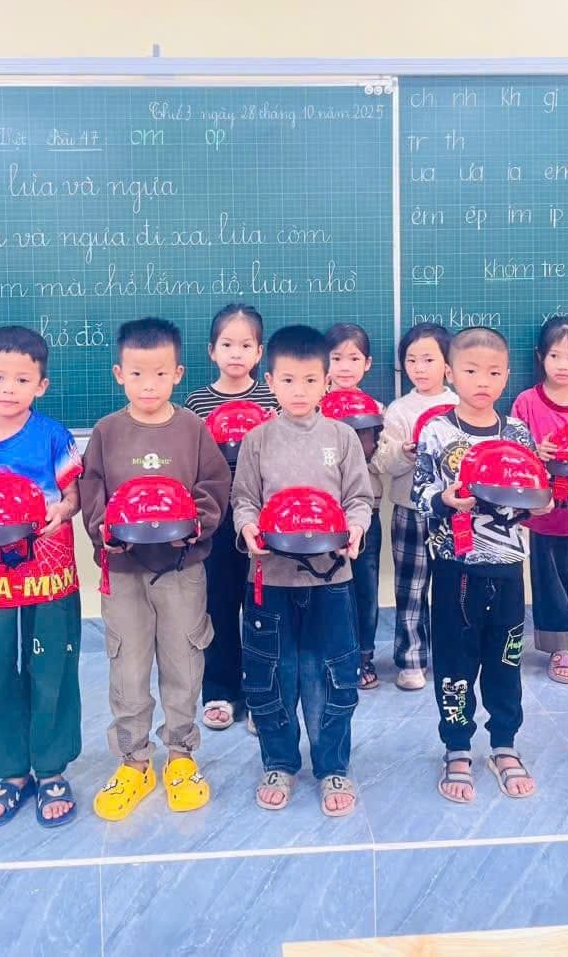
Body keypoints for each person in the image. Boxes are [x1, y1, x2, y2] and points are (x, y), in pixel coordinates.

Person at [80, 317, 231, 820]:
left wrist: (197, 525)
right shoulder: (106, 432)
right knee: (127, 664)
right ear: (119, 374)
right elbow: (92, 491)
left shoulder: (193, 429)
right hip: (123, 570)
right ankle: (135, 761)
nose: (149, 385)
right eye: (138, 374)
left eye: (160, 374)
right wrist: (105, 530)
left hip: (182, 568)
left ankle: (181, 755)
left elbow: (214, 486)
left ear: (178, 374)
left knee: (184, 660)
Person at [232, 324, 373, 817]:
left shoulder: (342, 437)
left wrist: (356, 527)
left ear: (326, 381)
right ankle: (279, 762)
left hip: (332, 580)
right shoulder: (257, 440)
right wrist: (248, 527)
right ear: (270, 381)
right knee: (273, 673)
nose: (299, 391)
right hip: (270, 578)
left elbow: (359, 498)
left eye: (310, 380)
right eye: (288, 380)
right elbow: (243, 500)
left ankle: (333, 764)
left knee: (330, 672)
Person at [0, 326, 83, 828]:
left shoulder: (54, 435)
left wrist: (62, 511)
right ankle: (8, 771)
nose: (9, 388)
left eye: (22, 379)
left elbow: (73, 495)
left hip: (48, 563)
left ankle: (51, 768)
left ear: (41, 385)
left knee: (52, 666)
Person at [413, 326, 549, 803]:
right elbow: (419, 492)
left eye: (493, 373)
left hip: (508, 566)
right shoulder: (436, 430)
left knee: (505, 659)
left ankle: (504, 744)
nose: (482, 381)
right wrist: (445, 499)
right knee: (455, 660)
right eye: (471, 371)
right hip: (455, 568)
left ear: (507, 376)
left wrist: (541, 503)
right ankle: (456, 747)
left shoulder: (517, 433)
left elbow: (533, 492)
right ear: (451, 373)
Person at [185, 304, 276, 731]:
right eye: (227, 344)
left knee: (262, 605)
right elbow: (190, 463)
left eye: (245, 345)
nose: (236, 353)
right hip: (216, 519)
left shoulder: (272, 398)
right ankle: (220, 690)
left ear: (259, 352)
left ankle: (262, 692)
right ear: (212, 350)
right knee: (218, 605)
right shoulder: (196, 403)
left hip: (262, 518)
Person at [512, 317, 568, 684]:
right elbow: (513, 457)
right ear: (541, 357)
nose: (563, 365)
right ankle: (561, 648)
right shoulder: (526, 402)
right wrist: (536, 452)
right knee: (550, 582)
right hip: (546, 515)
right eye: (554, 355)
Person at [374, 323, 457, 689]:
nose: (419, 368)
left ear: (447, 364)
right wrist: (404, 453)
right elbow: (383, 463)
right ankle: (411, 660)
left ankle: (454, 656)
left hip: (454, 512)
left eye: (428, 359)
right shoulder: (399, 410)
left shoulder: (461, 404)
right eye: (411, 360)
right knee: (411, 587)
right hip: (410, 508)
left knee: (453, 587)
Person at [324, 322, 383, 689]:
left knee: (365, 586)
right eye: (336, 358)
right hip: (321, 516)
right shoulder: (312, 405)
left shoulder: (376, 410)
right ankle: (331, 656)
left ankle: (363, 656)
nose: (345, 367)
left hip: (365, 512)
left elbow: (383, 463)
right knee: (329, 588)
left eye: (354, 358)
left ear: (368, 363)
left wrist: (376, 449)